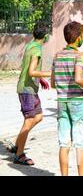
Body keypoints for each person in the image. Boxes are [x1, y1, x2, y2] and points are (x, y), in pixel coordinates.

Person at [51, 21, 83, 176]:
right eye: (82, 35)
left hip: (62, 102)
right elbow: (78, 78)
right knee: (80, 143)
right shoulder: (80, 56)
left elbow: (52, 83)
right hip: (77, 102)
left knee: (64, 143)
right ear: (78, 37)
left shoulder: (57, 56)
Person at [7, 22, 52, 166]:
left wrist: (41, 79)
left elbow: (29, 69)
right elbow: (31, 71)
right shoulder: (37, 50)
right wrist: (51, 73)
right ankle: (19, 154)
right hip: (27, 90)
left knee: (38, 117)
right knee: (29, 119)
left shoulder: (31, 45)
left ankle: (17, 144)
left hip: (29, 88)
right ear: (45, 37)